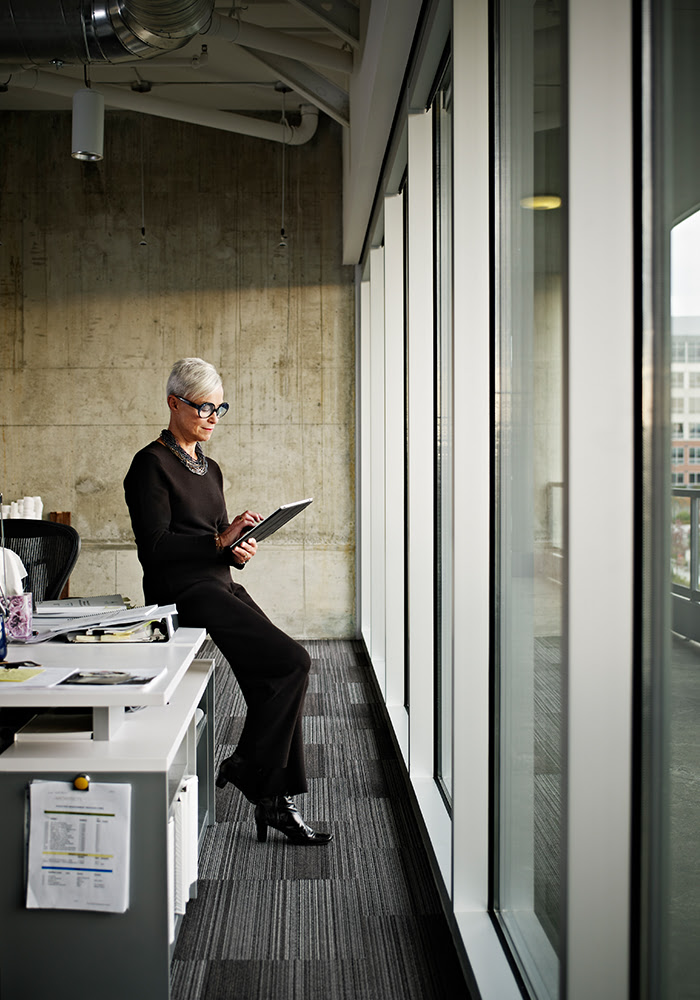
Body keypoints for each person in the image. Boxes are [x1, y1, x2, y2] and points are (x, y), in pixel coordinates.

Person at [124, 357, 332, 846]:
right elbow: (153, 549)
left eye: (220, 408)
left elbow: (213, 538)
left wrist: (237, 546)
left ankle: (273, 801)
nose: (213, 417)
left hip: (219, 584)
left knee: (274, 679)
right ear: (174, 403)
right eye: (203, 407)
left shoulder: (211, 467)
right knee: (293, 661)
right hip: (182, 592)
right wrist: (219, 544)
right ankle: (243, 765)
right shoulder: (149, 465)